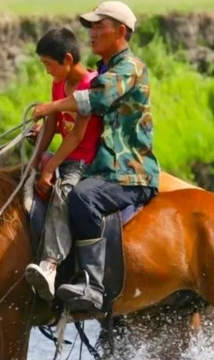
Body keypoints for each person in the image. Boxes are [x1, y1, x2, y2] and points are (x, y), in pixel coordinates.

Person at [32, 1, 160, 312]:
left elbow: (96, 99)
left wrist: (50, 107)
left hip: (128, 172)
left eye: (99, 26)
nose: (92, 33)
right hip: (101, 168)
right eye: (90, 27)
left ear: (121, 31)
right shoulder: (104, 69)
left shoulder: (129, 68)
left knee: (81, 197)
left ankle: (92, 285)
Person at [24, 28, 104, 301]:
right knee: (23, 177)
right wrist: (35, 160)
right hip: (65, 155)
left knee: (63, 194)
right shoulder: (59, 83)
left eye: (48, 64)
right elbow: (52, 126)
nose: (46, 70)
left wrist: (49, 168)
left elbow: (77, 135)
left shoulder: (90, 85)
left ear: (67, 59)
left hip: (83, 161)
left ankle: (51, 263)